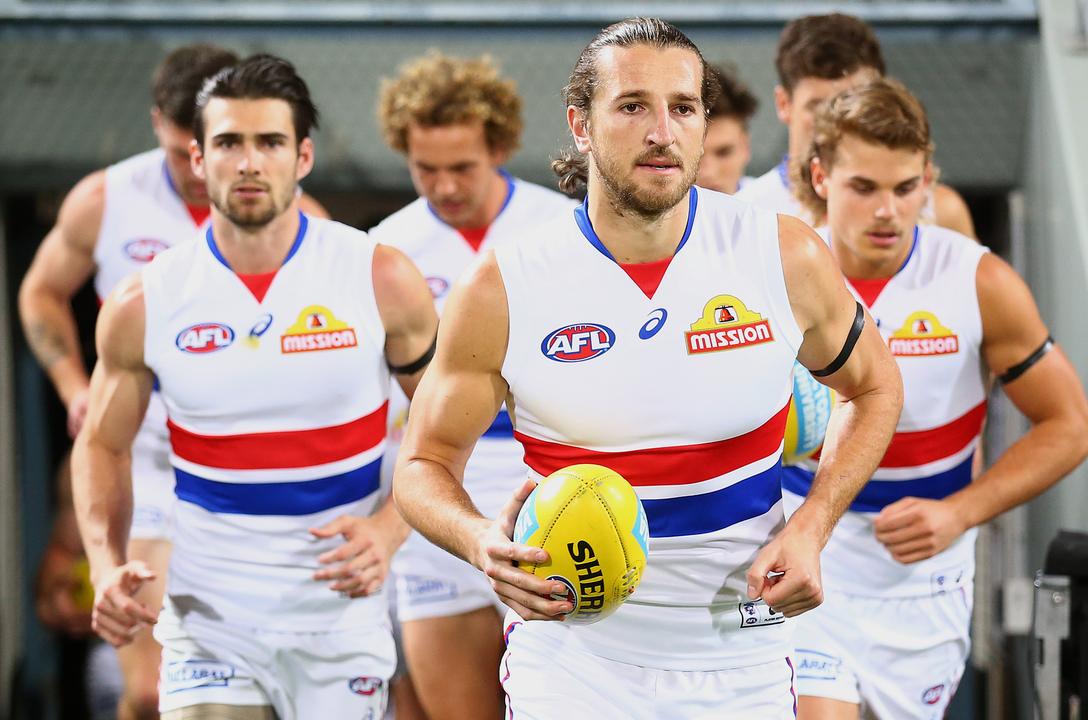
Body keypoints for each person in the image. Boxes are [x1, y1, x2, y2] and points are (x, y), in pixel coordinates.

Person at [392, 18, 903, 718]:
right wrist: (480, 539)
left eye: (684, 108)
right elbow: (422, 464)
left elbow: (874, 386)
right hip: (571, 653)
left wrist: (814, 522)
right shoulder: (505, 284)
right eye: (633, 106)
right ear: (580, 123)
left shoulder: (780, 254)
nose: (663, 131)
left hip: (740, 644)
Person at [72, 54, 438, 720]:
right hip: (211, 613)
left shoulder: (379, 276)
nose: (248, 162)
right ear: (196, 157)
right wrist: (103, 562)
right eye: (228, 143)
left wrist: (389, 530)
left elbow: (446, 421)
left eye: (268, 142)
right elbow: (100, 444)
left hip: (339, 615)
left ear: (302, 156)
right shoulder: (143, 302)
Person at [783, 80, 1088, 719]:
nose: (887, 212)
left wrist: (959, 512)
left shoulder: (979, 280)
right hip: (811, 551)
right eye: (864, 188)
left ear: (930, 180)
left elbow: (1070, 425)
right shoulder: (776, 270)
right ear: (821, 177)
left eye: (906, 188)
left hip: (924, 575)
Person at [18, 44, 253, 720]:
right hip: (144, 459)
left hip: (242, 470)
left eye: (201, 151)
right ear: (157, 123)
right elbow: (39, 293)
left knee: (228, 689)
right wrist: (71, 387)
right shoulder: (106, 198)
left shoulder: (284, 211)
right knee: (150, 691)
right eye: (178, 152)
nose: (192, 170)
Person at [369, 51, 575, 720]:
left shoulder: (564, 227)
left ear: (501, 147)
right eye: (426, 169)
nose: (446, 185)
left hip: (544, 481)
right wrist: (388, 521)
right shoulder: (386, 250)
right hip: (439, 488)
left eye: (463, 167)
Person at [737, 13, 975, 237]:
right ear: (784, 104)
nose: (836, 121)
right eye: (818, 106)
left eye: (853, 103)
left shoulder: (941, 211)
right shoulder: (745, 214)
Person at [695, 63, 758, 194]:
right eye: (696, 156)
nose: (709, 173)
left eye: (724, 153)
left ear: (746, 147)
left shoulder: (775, 210)